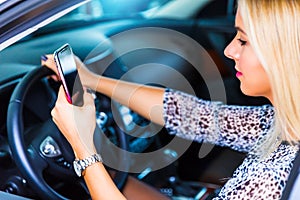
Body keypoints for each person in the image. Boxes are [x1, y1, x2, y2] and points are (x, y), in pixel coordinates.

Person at [42, 0, 300, 199]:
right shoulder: (283, 124)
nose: (229, 50)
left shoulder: (271, 184)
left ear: (283, 55)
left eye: (243, 40)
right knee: (118, 180)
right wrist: (93, 81)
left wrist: (83, 147)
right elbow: (194, 115)